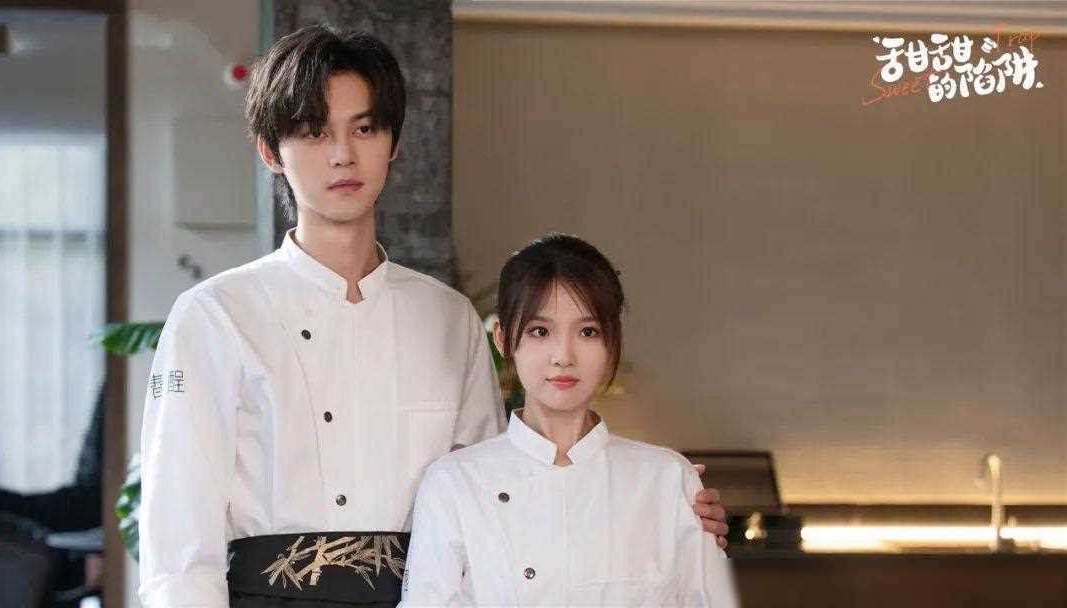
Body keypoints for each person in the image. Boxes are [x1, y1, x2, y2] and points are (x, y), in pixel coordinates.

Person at [139, 25, 729, 608]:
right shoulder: (217, 316)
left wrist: (665, 513)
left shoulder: (448, 318)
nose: (343, 155)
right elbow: (177, 547)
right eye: (314, 132)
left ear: (394, 143)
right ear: (271, 151)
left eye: (364, 129)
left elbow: (498, 494)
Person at [400, 234, 739, 607]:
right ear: (503, 339)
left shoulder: (668, 479)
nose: (563, 356)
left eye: (588, 332)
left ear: (612, 341)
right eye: (540, 331)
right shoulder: (454, 483)